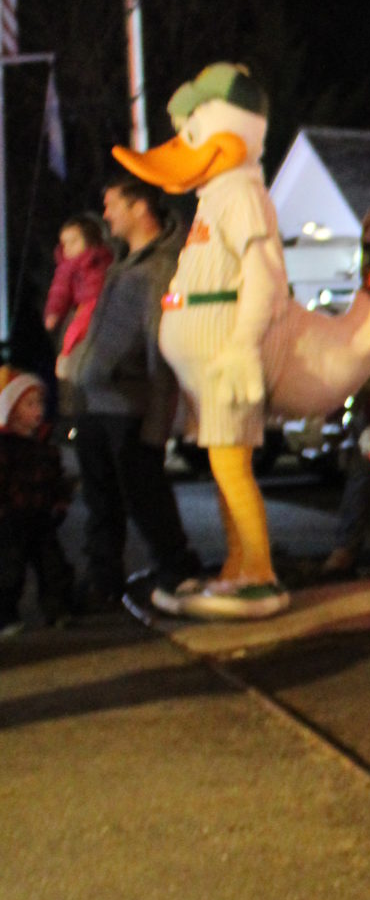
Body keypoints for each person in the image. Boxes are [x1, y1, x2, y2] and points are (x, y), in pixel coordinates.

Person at [74, 175, 201, 610]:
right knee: (101, 499)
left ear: (139, 208)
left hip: (128, 406)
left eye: (112, 204)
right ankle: (102, 581)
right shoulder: (125, 264)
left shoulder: (158, 270)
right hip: (97, 403)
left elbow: (160, 348)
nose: (106, 214)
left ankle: (177, 568)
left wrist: (156, 423)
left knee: (144, 496)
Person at [0, 369, 74, 636]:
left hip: (42, 517)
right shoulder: (6, 447)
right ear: (11, 409)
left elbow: (57, 478)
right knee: (9, 570)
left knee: (52, 566)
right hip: (12, 519)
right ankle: (6, 615)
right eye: (29, 404)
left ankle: (57, 609)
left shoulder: (45, 446)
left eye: (40, 403)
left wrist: (61, 499)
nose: (38, 410)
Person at [43, 215, 113, 407]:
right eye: (64, 243)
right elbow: (59, 291)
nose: (68, 248)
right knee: (75, 331)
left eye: (74, 241)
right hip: (85, 305)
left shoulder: (103, 259)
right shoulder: (66, 267)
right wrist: (53, 312)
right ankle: (66, 355)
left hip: (99, 303)